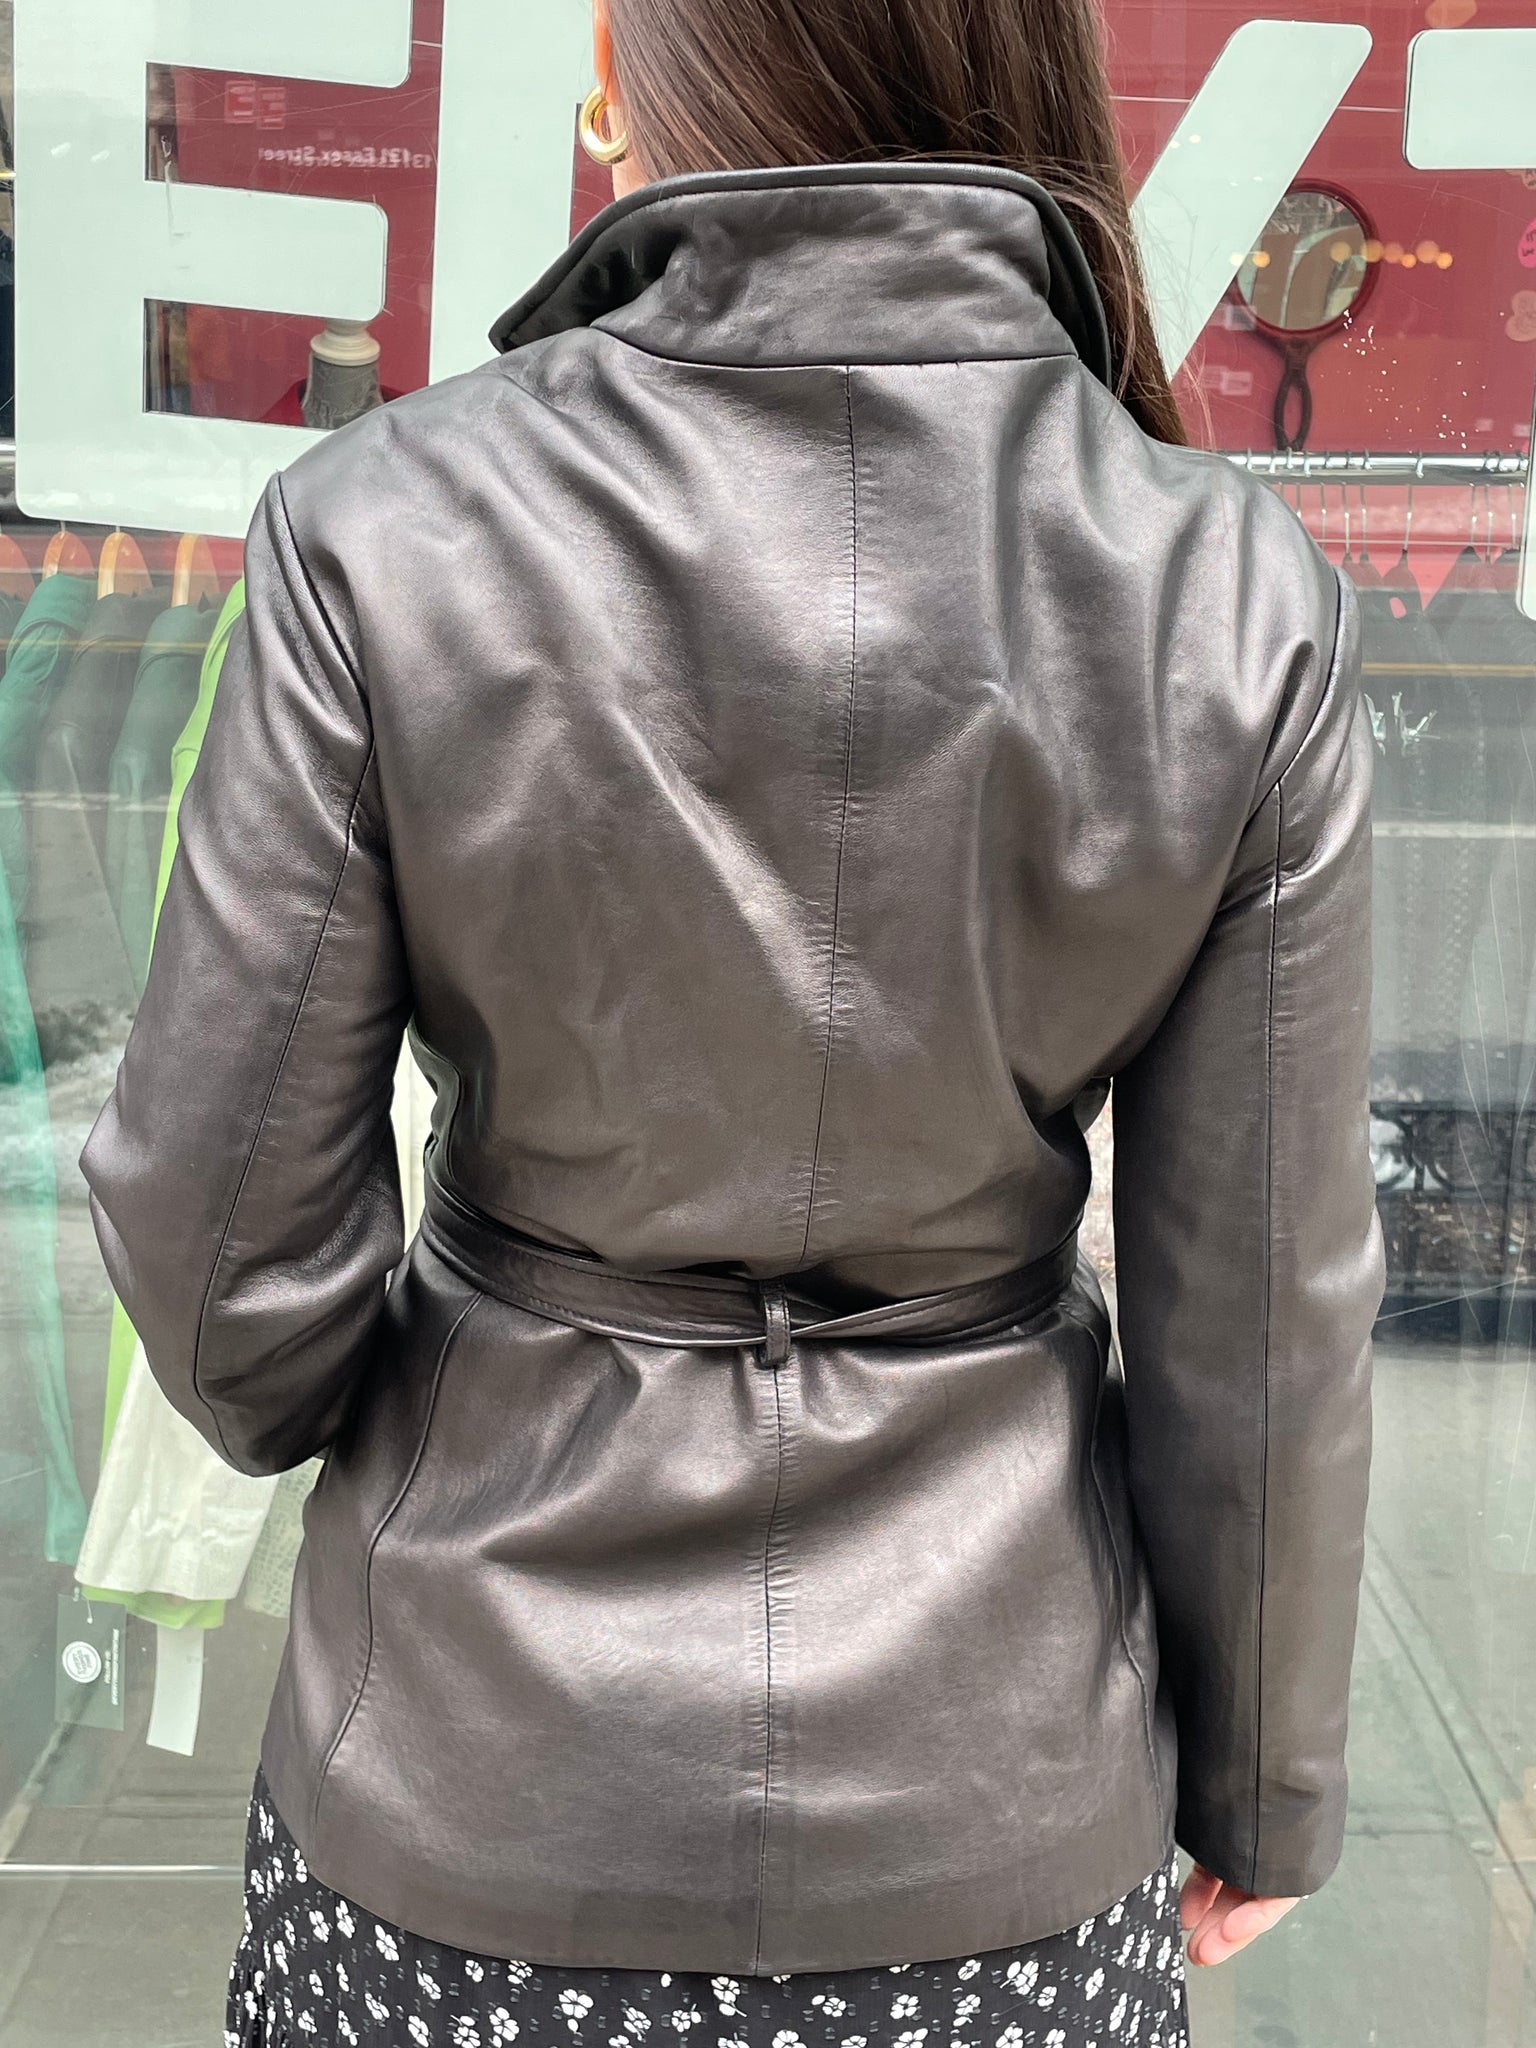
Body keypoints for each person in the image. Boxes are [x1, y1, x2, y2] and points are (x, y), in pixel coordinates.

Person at [79, 0, 1386, 2041]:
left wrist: (430, 1415)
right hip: (1004, 1809)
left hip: (467, 1787)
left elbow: (220, 1257)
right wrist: (1265, 1784)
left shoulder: (384, 527)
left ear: (630, 82)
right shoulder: (1227, 587)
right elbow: (1265, 1320)